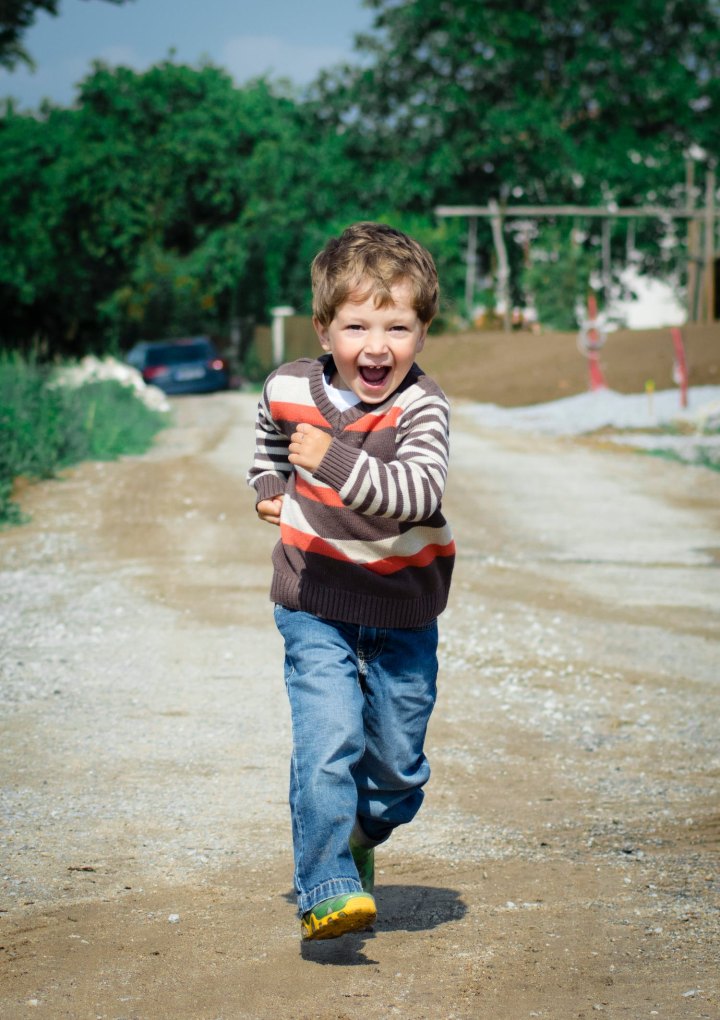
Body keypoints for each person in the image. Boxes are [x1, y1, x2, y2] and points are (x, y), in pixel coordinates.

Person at [247, 222, 455, 941]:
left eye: (397, 326)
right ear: (323, 328)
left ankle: (361, 833)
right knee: (327, 739)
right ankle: (326, 883)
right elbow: (269, 437)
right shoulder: (288, 386)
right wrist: (271, 483)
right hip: (315, 601)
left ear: (422, 333)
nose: (377, 345)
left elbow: (417, 492)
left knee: (398, 774)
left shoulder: (422, 408)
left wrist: (330, 461)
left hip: (402, 610)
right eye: (357, 324)